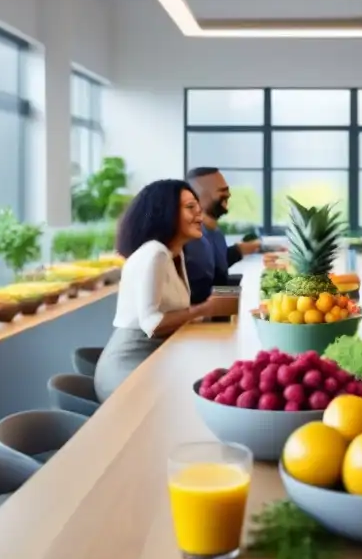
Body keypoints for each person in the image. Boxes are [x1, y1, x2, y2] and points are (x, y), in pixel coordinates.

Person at [94, 179, 221, 402]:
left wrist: (208, 312)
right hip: (126, 369)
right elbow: (152, 324)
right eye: (190, 207)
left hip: (155, 359)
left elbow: (174, 311)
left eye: (198, 208)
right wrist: (204, 309)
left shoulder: (175, 254)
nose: (200, 215)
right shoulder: (155, 254)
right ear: (167, 212)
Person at [183, 167, 261, 305]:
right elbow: (202, 295)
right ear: (199, 196)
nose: (229, 195)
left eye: (227, 189)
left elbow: (219, 271)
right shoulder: (193, 239)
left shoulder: (216, 232)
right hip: (203, 319)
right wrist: (248, 293)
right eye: (222, 191)